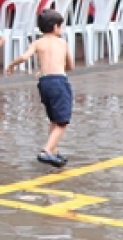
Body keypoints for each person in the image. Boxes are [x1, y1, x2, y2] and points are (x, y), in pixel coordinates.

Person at [5, 10, 74, 167]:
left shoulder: (37, 43)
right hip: (59, 82)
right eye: (61, 26)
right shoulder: (62, 43)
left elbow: (24, 57)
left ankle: (54, 151)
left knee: (54, 119)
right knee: (62, 122)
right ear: (55, 27)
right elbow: (70, 66)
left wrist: (11, 65)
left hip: (44, 82)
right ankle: (47, 150)